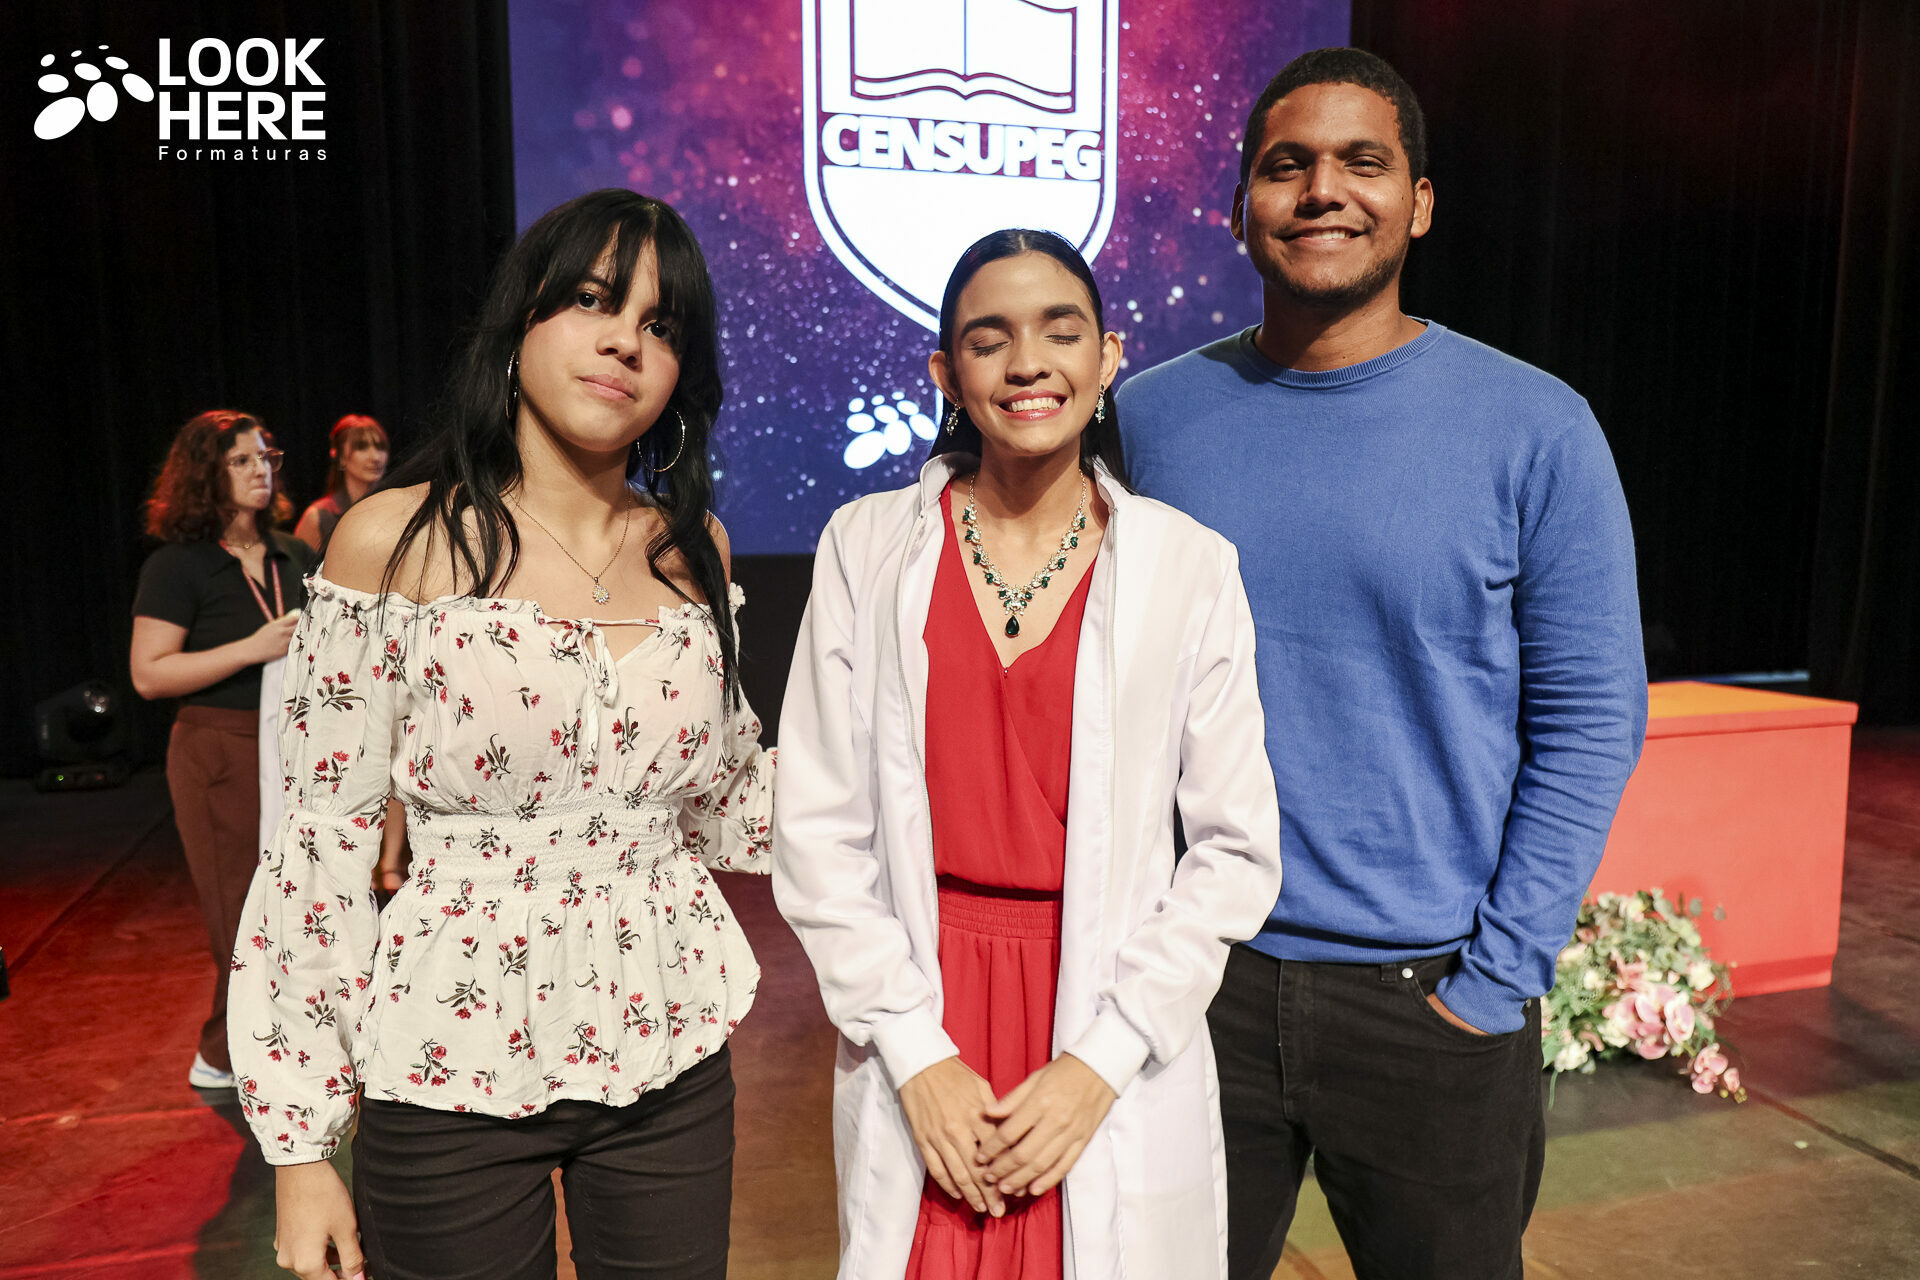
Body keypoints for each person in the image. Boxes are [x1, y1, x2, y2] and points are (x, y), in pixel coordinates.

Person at [1116, 47, 1649, 1280]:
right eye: (1286, 165)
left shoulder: (1537, 427)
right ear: (1239, 204)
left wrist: (1495, 981)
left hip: (1433, 1001)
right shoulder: (1148, 418)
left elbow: (1589, 723)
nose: (1323, 190)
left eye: (1363, 162)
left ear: (1419, 202)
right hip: (1199, 987)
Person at [227, 189, 775, 1280]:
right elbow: (318, 842)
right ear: (522, 321)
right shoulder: (396, 539)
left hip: (668, 1049)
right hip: (449, 1059)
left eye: (661, 325)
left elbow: (724, 799)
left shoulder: (693, 548)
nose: (625, 341)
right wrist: (301, 1144)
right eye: (593, 301)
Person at [774, 228, 1283, 1280]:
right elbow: (817, 829)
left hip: (1106, 1019)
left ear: (1108, 357)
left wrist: (1100, 1062)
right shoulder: (865, 547)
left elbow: (1234, 852)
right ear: (946, 374)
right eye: (988, 339)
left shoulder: (1188, 566)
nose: (1026, 363)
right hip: (924, 1010)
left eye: (1061, 331)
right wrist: (916, 1056)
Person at [130, 411, 313, 1091]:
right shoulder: (177, 565)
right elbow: (149, 674)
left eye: (266, 456)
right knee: (239, 907)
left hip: (293, 744)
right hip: (219, 749)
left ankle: (262, 1045)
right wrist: (251, 648)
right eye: (241, 460)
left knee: (295, 903)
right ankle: (226, 1052)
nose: (261, 470)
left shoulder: (293, 554)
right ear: (207, 473)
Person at [293, 413, 390, 556]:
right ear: (341, 457)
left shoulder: (393, 508)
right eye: (362, 447)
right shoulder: (318, 517)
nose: (375, 457)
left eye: (380, 447)